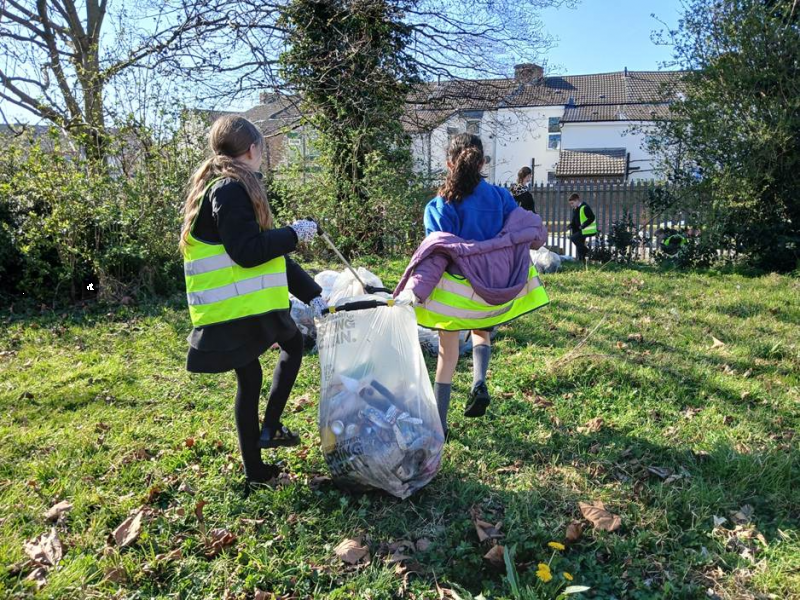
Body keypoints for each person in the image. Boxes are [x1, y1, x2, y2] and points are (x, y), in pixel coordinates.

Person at [179, 115, 327, 486]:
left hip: (233, 306)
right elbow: (248, 252)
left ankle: (257, 467)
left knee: (253, 374)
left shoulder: (221, 187)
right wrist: (293, 233)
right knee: (290, 344)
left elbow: (269, 254)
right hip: (234, 308)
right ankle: (270, 430)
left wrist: (314, 295)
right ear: (253, 149)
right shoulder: (229, 189)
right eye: (261, 149)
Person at [394, 134, 549, 435]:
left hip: (456, 293)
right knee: (481, 332)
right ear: (481, 163)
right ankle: (479, 381)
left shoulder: (440, 205)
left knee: (447, 353)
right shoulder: (502, 197)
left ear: (449, 163)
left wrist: (416, 290)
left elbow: (436, 255)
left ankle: (440, 425)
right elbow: (529, 233)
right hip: (493, 290)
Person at [568, 192, 597, 262]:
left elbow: (592, 217)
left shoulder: (585, 207)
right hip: (580, 230)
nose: (571, 205)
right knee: (579, 244)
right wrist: (571, 225)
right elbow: (575, 219)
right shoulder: (575, 208)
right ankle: (582, 260)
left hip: (587, 230)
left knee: (573, 238)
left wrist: (584, 225)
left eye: (572, 203)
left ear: (577, 200)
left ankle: (588, 251)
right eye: (570, 204)